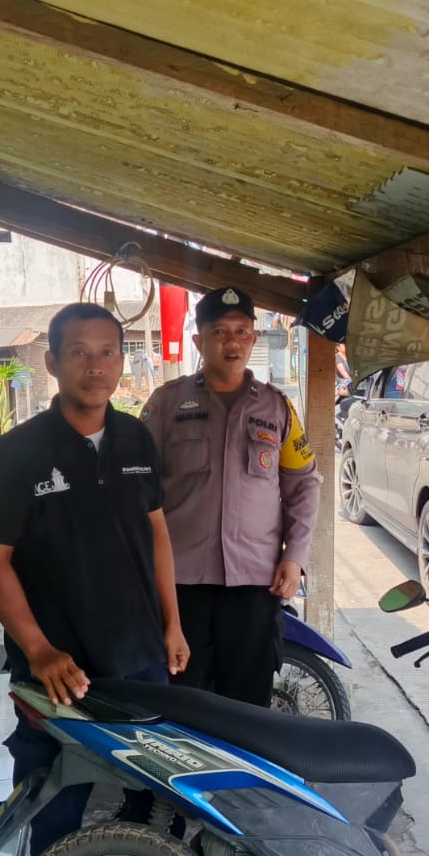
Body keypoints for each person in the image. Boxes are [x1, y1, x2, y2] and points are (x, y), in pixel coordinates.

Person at [0, 304, 189, 856]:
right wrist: (39, 650)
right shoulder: (18, 452)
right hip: (57, 668)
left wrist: (172, 624)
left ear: (121, 360)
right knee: (54, 803)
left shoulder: (137, 439)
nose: (96, 366)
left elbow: (157, 534)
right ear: (52, 363)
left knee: (154, 793)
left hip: (139, 657)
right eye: (79, 353)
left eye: (108, 352)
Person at [141, 287, 320, 706]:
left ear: (254, 340)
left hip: (255, 582)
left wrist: (295, 557)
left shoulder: (278, 408)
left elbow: (303, 484)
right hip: (180, 581)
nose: (232, 342)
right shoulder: (166, 404)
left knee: (248, 700)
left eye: (242, 332)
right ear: (199, 341)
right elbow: (137, 485)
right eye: (219, 332)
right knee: (184, 699)